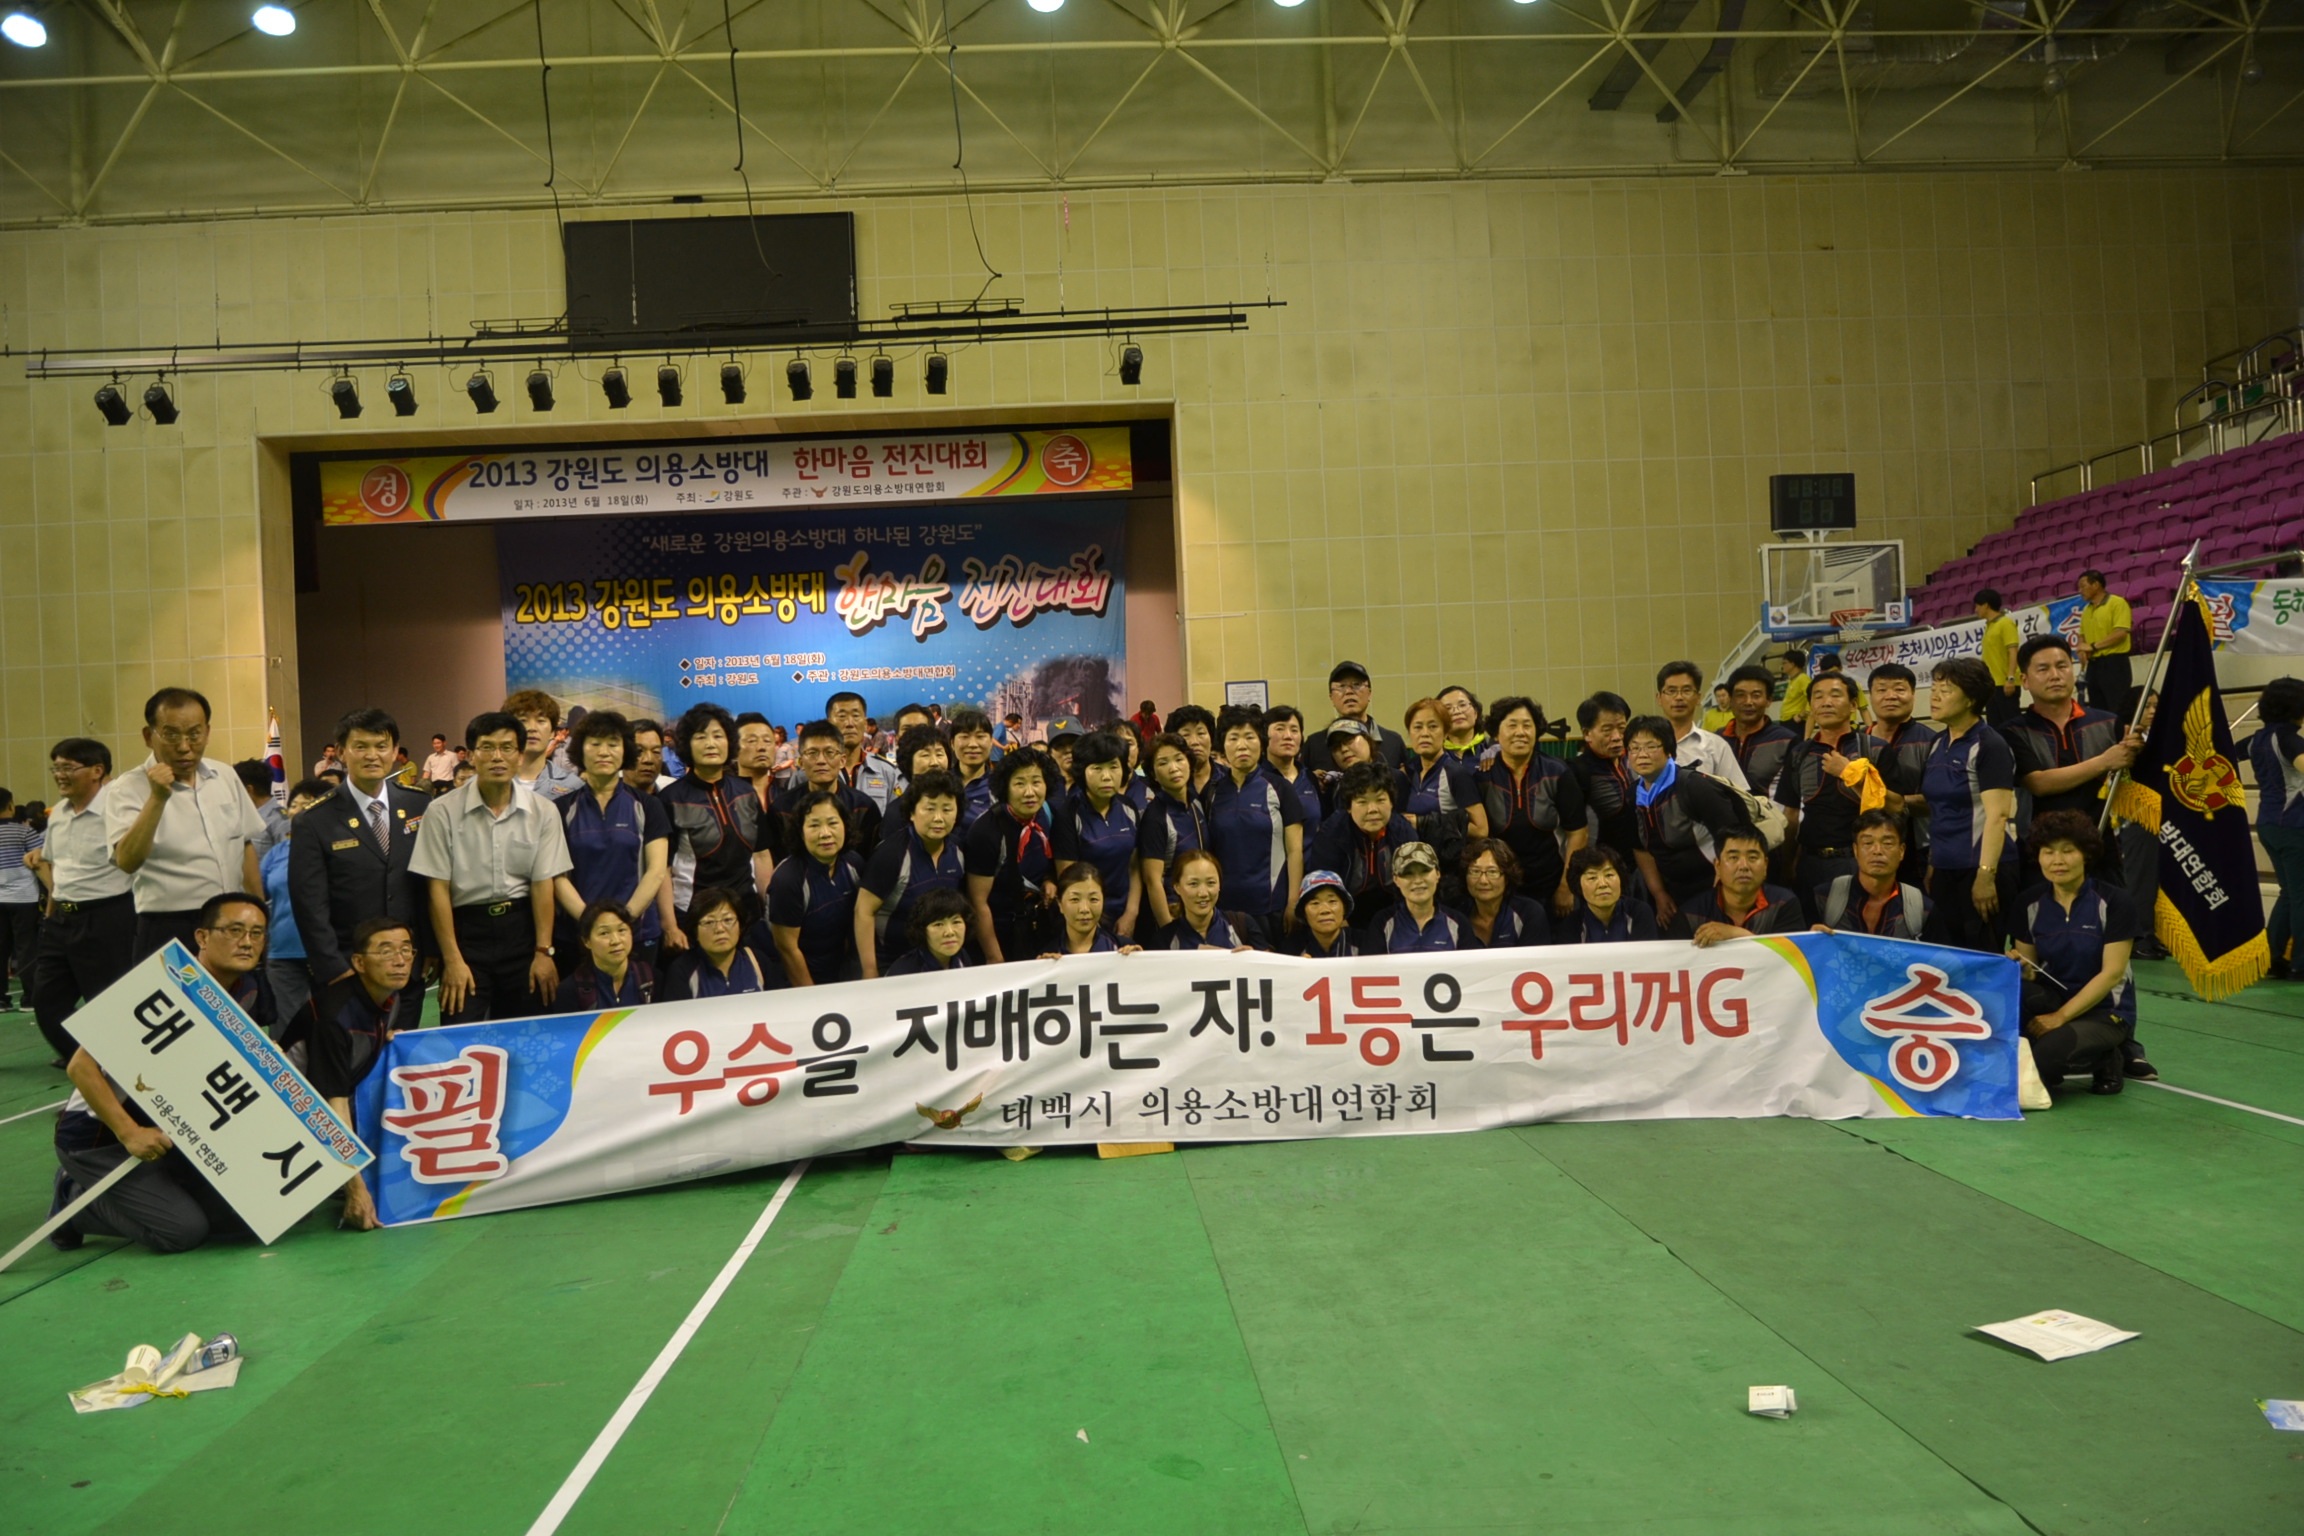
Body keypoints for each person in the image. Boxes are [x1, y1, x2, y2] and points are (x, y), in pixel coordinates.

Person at [49, 892, 275, 1254]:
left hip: (172, 1132)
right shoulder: (156, 983)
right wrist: (129, 1132)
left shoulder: (247, 989)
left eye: (257, 933)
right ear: (202, 937)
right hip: (101, 1137)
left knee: (250, 1212)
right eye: (234, 930)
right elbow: (80, 1067)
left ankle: (157, 1192)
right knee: (183, 1232)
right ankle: (73, 1200)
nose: (247, 942)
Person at [409, 711, 571, 1024]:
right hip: (466, 935)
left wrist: (543, 952)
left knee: (529, 1036)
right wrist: (452, 960)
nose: (497, 757)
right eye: (487, 747)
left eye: (507, 748)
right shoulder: (442, 812)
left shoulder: (544, 811)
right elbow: (437, 889)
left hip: (522, 932)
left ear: (520, 756)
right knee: (462, 1036)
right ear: (470, 756)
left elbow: (543, 884)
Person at [285, 708, 435, 1038]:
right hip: (348, 970)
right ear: (341, 752)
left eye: (381, 746)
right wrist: (333, 969)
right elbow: (309, 905)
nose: (372, 755)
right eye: (360, 746)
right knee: (351, 1061)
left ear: (395, 752)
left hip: (406, 968)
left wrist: (430, 949)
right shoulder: (314, 820)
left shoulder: (419, 805)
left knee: (403, 1059)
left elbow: (428, 886)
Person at [277, 915, 417, 1231]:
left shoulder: (389, 996)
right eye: (386, 951)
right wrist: (355, 1187)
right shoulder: (334, 1017)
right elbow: (332, 1105)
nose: (399, 961)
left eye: (406, 950)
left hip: (336, 1097)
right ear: (359, 963)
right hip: (288, 1114)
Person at [106, 687, 266, 960]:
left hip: (232, 920)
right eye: (171, 735)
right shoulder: (127, 788)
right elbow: (127, 861)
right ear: (148, 736)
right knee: (175, 990)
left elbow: (245, 845)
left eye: (194, 734)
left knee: (237, 989)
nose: (184, 746)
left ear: (207, 733)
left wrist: (259, 913)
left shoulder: (224, 775)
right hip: (168, 925)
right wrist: (157, 799)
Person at [2009, 811, 2138, 1095]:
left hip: (2105, 1011)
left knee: (2043, 1060)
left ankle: (2106, 1057)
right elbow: (2031, 972)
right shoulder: (2028, 903)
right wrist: (2017, 967)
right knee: (2012, 998)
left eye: (2068, 851)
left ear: (2085, 856)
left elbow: (2112, 974)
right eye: (2048, 852)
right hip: (2054, 999)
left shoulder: (2115, 902)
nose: (2057, 860)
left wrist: (2060, 1017)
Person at [27, 739, 133, 1064]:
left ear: (97, 771)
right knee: (47, 1003)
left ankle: (116, 1077)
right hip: (62, 919)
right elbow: (57, 869)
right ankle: (90, 1070)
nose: (59, 774)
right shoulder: (59, 812)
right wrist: (50, 915)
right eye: (56, 767)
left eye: (68, 768)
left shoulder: (119, 808)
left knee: (106, 1006)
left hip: (108, 918)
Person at [552, 710, 671, 968]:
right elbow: (558, 877)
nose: (604, 752)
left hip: (638, 933)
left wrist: (621, 923)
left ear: (625, 750)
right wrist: (593, 925)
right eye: (595, 744)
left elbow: (656, 872)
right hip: (579, 936)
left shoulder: (648, 806)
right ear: (580, 750)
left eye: (613, 744)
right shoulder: (562, 809)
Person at [1916, 657, 2018, 953]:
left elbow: (1998, 816)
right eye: (1934, 688)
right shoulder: (1937, 743)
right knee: (1947, 957)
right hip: (1945, 868)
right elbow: (1938, 810)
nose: (1935, 696)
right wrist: (1935, 862)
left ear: (1971, 699)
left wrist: (1986, 875)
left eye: (1946, 690)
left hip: (1982, 869)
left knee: (1982, 956)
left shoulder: (1990, 745)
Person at [2005, 634, 2140, 831]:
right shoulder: (2013, 732)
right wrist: (2105, 761)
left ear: (2073, 671)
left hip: (2101, 839)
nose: (2055, 675)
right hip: (2040, 843)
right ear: (2025, 681)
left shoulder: (2109, 723)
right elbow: (2039, 784)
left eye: (2062, 666)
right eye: (2043, 669)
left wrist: (2137, 748)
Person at [1775, 672, 1887, 909]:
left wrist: (1848, 773)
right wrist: (1787, 864)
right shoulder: (1799, 754)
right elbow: (1791, 815)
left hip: (1858, 862)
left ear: (1853, 705)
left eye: (1835, 695)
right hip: (1809, 863)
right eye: (1818, 697)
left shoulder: (1875, 749)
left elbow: (1894, 810)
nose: (1826, 702)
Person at [1623, 714, 1746, 918]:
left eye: (1651, 746)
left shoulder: (1693, 785)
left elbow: (1733, 836)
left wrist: (1727, 886)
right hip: (1670, 887)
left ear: (1669, 751)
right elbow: (1640, 849)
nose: (1642, 754)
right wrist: (1659, 894)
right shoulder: (1632, 794)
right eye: (1634, 748)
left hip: (1713, 884)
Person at [1476, 697, 1588, 915]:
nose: (1520, 732)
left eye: (1527, 725)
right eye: (1512, 725)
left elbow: (1578, 833)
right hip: (1499, 887)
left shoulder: (1557, 772)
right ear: (1496, 734)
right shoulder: (1482, 776)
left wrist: (1566, 886)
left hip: (1550, 885)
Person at [663, 703, 774, 923]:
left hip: (746, 910)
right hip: (694, 914)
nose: (711, 744)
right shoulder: (670, 798)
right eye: (701, 737)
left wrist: (769, 910)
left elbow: (761, 855)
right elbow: (663, 869)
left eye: (718, 736)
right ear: (686, 744)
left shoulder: (745, 792)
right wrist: (670, 925)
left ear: (730, 742)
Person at [1205, 706, 1308, 927]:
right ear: (1223, 745)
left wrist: (1293, 902)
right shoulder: (1213, 792)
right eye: (1233, 738)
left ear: (1261, 743)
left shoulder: (1280, 788)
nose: (1241, 745)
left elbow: (1294, 851)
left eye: (1249, 737)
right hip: (1223, 909)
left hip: (1271, 907)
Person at [856, 771, 965, 978]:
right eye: (930, 809)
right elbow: (863, 912)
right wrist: (870, 970)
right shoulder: (891, 854)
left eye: (947, 809)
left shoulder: (958, 851)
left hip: (940, 960)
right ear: (912, 813)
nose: (938, 818)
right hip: (892, 962)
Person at [964, 747, 1061, 964]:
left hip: (1037, 928)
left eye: (1036, 782)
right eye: (1019, 783)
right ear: (1005, 788)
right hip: (999, 933)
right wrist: (994, 957)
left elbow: (1047, 865)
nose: (1029, 792)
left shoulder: (1046, 814)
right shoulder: (986, 831)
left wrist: (1049, 881)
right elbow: (977, 902)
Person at [762, 791, 863, 986]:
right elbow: (787, 949)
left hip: (840, 971)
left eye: (832, 823)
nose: (825, 833)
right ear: (801, 832)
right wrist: (812, 995)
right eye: (814, 825)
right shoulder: (788, 880)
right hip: (797, 976)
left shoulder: (854, 864)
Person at [1304, 762, 1420, 927]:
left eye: (1380, 800)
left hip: (1393, 912)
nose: (1372, 809)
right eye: (1362, 802)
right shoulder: (1331, 834)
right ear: (1349, 807)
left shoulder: (1403, 832)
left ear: (1392, 803)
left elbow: (1415, 882)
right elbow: (1323, 888)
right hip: (1346, 914)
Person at [1051, 732, 1142, 938]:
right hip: (1085, 917)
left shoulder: (1129, 808)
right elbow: (1068, 880)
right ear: (1082, 771)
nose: (1107, 776)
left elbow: (1135, 866)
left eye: (1113, 766)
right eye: (1097, 768)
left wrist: (1131, 913)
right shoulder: (1068, 815)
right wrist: (1093, 924)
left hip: (1125, 913)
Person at [258, 777, 331, 1026]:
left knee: (331, 1028)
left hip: (330, 954)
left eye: (306, 804)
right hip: (283, 953)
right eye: (293, 805)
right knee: (286, 1030)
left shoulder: (339, 849)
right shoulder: (276, 853)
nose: (297, 811)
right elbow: (259, 898)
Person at [1865, 663, 1938, 886]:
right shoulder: (1858, 742)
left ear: (1913, 694)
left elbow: (1937, 801)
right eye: (1882, 690)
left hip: (1918, 849)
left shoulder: (1933, 742)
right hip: (1865, 849)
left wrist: (1890, 802)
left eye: (1899, 689)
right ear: (1870, 696)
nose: (1891, 696)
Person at [2252, 677, 2304, 979]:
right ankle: (2300, 962)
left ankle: (2271, 958)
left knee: (2289, 893)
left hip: (2269, 823)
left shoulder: (2257, 739)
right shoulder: (2290, 739)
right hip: (2294, 824)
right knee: (2301, 896)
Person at [773, 718, 882, 861]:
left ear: (842, 761)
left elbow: (871, 860)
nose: (821, 761)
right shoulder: (782, 808)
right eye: (812, 753)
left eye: (829, 752)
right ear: (801, 762)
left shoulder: (863, 807)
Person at [1812, 809, 1930, 938]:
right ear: (1855, 850)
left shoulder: (1922, 909)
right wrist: (1810, 939)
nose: (1877, 851)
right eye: (1868, 843)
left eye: (1887, 843)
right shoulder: (1823, 899)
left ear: (1901, 851)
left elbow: (1938, 951)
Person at [1569, 692, 1649, 880]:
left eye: (1622, 728)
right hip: (1600, 872)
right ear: (1587, 734)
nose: (1617, 737)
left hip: (1640, 866)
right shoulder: (1577, 771)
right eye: (1607, 730)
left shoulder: (1636, 760)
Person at [1681, 827, 1806, 944]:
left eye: (1752, 857)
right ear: (1717, 866)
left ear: (1765, 865)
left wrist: (1734, 933)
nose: (1744, 866)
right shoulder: (1691, 914)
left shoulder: (1783, 903)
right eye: (1733, 857)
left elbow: (1789, 955)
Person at [1135, 732, 1205, 932]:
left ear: (1189, 762)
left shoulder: (1196, 803)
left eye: (1179, 759)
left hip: (1201, 906)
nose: (1173, 768)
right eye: (1163, 763)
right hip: (1173, 910)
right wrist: (1168, 930)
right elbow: (1152, 881)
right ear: (1154, 774)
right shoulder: (1155, 817)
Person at [1399, 697, 1490, 845]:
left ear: (1446, 733)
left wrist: (1425, 823)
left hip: (1447, 857)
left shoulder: (1456, 773)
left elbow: (1481, 830)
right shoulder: (1408, 772)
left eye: (1433, 726)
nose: (1425, 733)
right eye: (1417, 727)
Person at [1145, 847, 1263, 951]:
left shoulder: (1242, 925)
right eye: (1193, 884)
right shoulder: (1165, 939)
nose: (1203, 893)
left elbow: (1268, 963)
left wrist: (1252, 956)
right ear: (1177, 887)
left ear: (1219, 885)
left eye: (1211, 883)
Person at [662, 885, 771, 997]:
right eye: (709, 922)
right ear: (695, 931)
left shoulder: (757, 961)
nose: (719, 929)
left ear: (740, 925)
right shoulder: (682, 970)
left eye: (727, 920)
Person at [1301, 661, 1409, 773]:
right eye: (1341, 686)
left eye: (1356, 685)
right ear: (1331, 697)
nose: (1349, 691)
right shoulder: (1315, 745)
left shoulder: (1393, 742)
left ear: (1369, 693)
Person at [1656, 661, 1748, 789]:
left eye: (1686, 690)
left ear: (1698, 698)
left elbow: (1739, 793)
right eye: (1671, 691)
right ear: (1659, 698)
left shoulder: (1716, 746)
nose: (1679, 697)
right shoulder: (1641, 747)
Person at [1366, 841, 1466, 951]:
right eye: (1408, 873)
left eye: (1425, 871)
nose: (1418, 880)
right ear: (1396, 879)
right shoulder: (1382, 923)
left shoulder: (1458, 923)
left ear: (1438, 874)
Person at [1719, 665, 1798, 798]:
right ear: (1730, 700)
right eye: (1740, 695)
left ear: (1769, 700)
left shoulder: (1786, 741)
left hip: (1769, 811)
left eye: (1756, 695)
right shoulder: (1717, 740)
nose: (1748, 702)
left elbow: (1793, 796)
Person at [825, 690, 906, 813]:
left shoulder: (887, 771)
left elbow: (897, 818)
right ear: (829, 723)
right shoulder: (814, 772)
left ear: (864, 723)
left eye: (856, 716)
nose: (850, 723)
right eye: (842, 716)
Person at [1460, 838, 1549, 948]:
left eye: (1492, 872)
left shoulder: (1529, 913)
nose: (1483, 880)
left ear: (1507, 877)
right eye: (1475, 871)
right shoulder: (1455, 917)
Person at [1562, 847, 1659, 943]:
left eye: (1609, 875)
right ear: (1578, 884)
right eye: (1592, 878)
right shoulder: (1572, 925)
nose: (1603, 884)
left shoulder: (1639, 913)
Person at [0, 788, 42, 1012]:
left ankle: (0, 1000)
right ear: (10, 806)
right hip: (24, 898)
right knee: (27, 948)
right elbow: (39, 861)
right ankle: (30, 998)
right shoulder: (25, 832)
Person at [1039, 865, 1140, 957]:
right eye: (1074, 899)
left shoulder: (1122, 948)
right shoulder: (1049, 955)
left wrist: (1138, 961)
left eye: (1093, 899)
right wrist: (1044, 967)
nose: (1084, 909)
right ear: (1060, 904)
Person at [503, 689, 582, 799]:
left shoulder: (573, 786)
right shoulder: (489, 783)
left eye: (541, 721)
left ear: (552, 732)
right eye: (523, 720)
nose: (532, 728)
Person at [2074, 569, 2135, 710]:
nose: (2080, 591)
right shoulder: (2087, 610)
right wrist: (2081, 649)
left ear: (2096, 585)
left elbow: (2121, 632)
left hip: (2114, 664)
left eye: (2083, 586)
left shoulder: (2117, 603)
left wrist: (2093, 646)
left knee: (2118, 707)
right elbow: (2082, 635)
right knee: (2098, 709)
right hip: (2093, 665)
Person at [884, 888, 977, 977]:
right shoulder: (903, 972)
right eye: (938, 924)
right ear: (922, 930)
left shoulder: (962, 956)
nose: (949, 932)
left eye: (956, 922)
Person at [1281, 870, 1366, 957]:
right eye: (1315, 903)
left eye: (1332, 901)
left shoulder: (1363, 942)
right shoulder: (1292, 948)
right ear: (1304, 912)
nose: (1325, 910)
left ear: (1344, 908)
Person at [1262, 705, 1322, 824]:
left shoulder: (1309, 777)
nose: (1288, 736)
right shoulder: (1257, 777)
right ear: (1263, 735)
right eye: (1280, 729)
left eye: (1294, 730)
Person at [1974, 590, 2023, 726]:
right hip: (1992, 685)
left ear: (1986, 605)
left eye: (1977, 605)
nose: (1976, 610)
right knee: (1994, 726)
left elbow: (2013, 652)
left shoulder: (2005, 623)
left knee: (2011, 726)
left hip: (2005, 684)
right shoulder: (1989, 626)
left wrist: (2010, 678)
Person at [946, 708, 1000, 830]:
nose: (973, 744)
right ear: (952, 743)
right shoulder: (940, 783)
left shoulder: (1000, 786)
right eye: (964, 737)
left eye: (980, 736)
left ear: (991, 742)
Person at [234, 759, 289, 860]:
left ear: (248, 790)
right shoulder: (243, 815)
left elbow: (286, 861)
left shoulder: (279, 819)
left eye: (234, 788)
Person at [1166, 704, 1219, 795]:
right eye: (1186, 735)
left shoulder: (1230, 779)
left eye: (1201, 733)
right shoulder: (1165, 782)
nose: (1194, 742)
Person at [735, 712, 780, 808]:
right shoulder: (724, 798)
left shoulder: (785, 797)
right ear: (734, 748)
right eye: (752, 741)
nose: (762, 747)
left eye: (767, 741)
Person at [1438, 685, 1489, 763]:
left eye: (1462, 705)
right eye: (1448, 708)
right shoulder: (1433, 755)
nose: (1457, 711)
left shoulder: (1493, 750)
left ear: (1475, 713)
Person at [625, 718, 668, 797]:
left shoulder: (672, 799)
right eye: (639, 751)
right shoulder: (605, 801)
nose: (649, 759)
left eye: (656, 752)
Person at [1775, 649, 1811, 728]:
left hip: (1795, 722)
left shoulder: (1803, 679)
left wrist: (1801, 715)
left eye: (1784, 663)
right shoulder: (1793, 680)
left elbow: (1812, 698)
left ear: (1793, 664)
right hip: (1786, 721)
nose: (1782, 666)